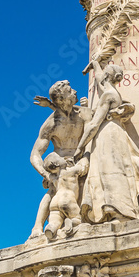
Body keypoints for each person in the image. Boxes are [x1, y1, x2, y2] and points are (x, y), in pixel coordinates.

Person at [75, 60, 139, 223]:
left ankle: (120, 211)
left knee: (111, 170)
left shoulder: (108, 95)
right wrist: (96, 64)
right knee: (114, 169)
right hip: (113, 131)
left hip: (107, 133)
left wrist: (80, 146)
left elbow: (93, 124)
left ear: (108, 76)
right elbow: (99, 80)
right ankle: (115, 210)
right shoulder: (112, 92)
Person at [28, 81, 92, 238]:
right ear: (63, 99)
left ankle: (78, 220)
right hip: (60, 163)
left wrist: (86, 157)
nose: (76, 91)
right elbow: (34, 155)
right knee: (53, 192)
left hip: (82, 159)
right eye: (71, 91)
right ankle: (37, 226)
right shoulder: (51, 123)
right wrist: (46, 174)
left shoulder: (82, 113)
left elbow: (93, 131)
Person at [42, 153, 88, 240]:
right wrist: (85, 157)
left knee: (55, 219)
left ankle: (51, 228)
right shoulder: (71, 171)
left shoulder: (53, 177)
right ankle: (72, 222)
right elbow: (83, 168)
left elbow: (46, 180)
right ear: (57, 164)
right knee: (78, 218)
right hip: (67, 199)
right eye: (60, 158)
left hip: (54, 201)